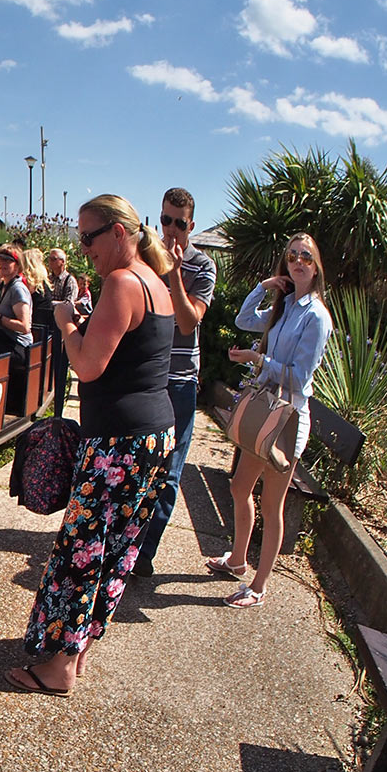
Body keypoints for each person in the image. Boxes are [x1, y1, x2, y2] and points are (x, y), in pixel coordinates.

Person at [5, 194, 175, 697]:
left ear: (119, 232)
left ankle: (60, 668)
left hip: (119, 445)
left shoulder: (123, 283)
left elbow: (88, 366)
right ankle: (74, 655)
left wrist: (65, 324)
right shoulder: (155, 283)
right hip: (150, 438)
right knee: (115, 552)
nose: (83, 249)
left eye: (89, 237)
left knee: (84, 549)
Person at [209, 233, 332, 607]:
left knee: (271, 504)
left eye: (306, 256)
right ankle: (238, 560)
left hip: (287, 422)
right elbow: (244, 318)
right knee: (239, 488)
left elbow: (300, 377)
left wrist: (258, 361)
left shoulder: (316, 317)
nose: (298, 261)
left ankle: (259, 587)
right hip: (265, 414)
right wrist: (264, 286)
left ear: (316, 266)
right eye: (292, 255)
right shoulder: (286, 305)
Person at [132, 187, 217, 577]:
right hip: (146, 377)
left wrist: (176, 276)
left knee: (168, 471)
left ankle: (143, 556)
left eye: (179, 223)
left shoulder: (202, 266)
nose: (171, 229)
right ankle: (126, 544)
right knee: (136, 466)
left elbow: (188, 322)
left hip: (180, 383)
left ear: (191, 225)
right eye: (165, 220)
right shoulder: (148, 259)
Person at [40, 248, 80, 401]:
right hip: (48, 323)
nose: (50, 262)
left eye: (53, 259)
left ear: (62, 262)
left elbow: (69, 303)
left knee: (59, 359)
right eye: (49, 259)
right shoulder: (48, 279)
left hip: (61, 327)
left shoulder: (69, 280)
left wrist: (51, 304)